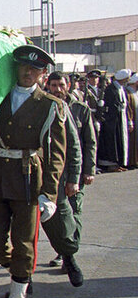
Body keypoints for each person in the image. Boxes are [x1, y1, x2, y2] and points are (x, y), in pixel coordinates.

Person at [0, 45, 66, 298]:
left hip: (27, 177)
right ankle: (19, 271)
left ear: (43, 74)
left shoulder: (50, 105)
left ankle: (17, 297)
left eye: (35, 69)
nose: (28, 72)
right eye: (24, 66)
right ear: (15, 67)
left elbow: (56, 153)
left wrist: (49, 192)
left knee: (24, 241)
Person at [42, 71, 95, 286]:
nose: (57, 89)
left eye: (61, 85)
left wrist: (83, 173)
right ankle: (63, 253)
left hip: (70, 174)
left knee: (71, 215)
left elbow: (84, 144)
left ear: (68, 85)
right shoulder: (42, 105)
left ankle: (69, 254)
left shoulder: (78, 109)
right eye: (53, 85)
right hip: (46, 174)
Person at [96, 69, 130, 172]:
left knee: (120, 140)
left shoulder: (121, 88)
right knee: (112, 142)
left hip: (120, 119)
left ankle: (119, 163)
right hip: (112, 121)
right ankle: (112, 164)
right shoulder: (111, 90)